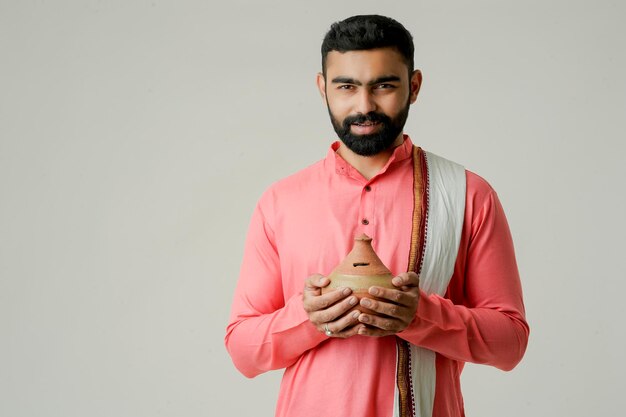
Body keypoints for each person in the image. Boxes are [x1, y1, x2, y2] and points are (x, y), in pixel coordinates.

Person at [225, 14, 529, 417]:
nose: (364, 106)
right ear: (323, 89)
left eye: (383, 85)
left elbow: (510, 344)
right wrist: (309, 318)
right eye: (346, 87)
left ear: (414, 86)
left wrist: (420, 314)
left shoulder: (467, 194)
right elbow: (243, 351)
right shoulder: (281, 201)